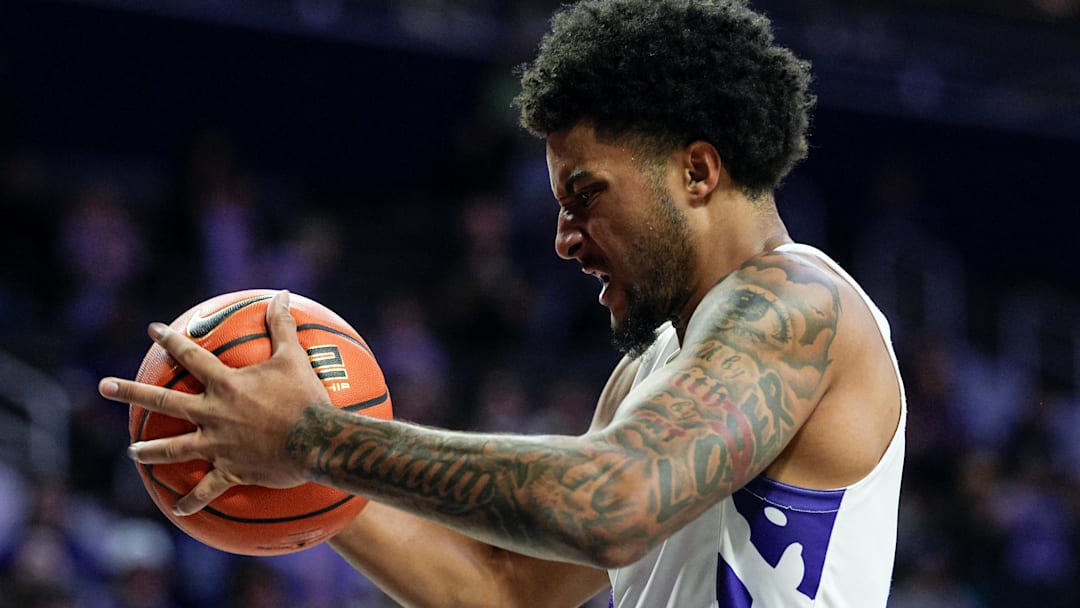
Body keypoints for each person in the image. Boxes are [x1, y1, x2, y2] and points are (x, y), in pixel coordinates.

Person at [97, 1, 907, 606]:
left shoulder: (798, 302)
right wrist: (284, 463)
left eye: (585, 194)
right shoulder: (645, 376)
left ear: (697, 172)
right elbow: (501, 590)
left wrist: (313, 437)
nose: (564, 238)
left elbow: (615, 503)